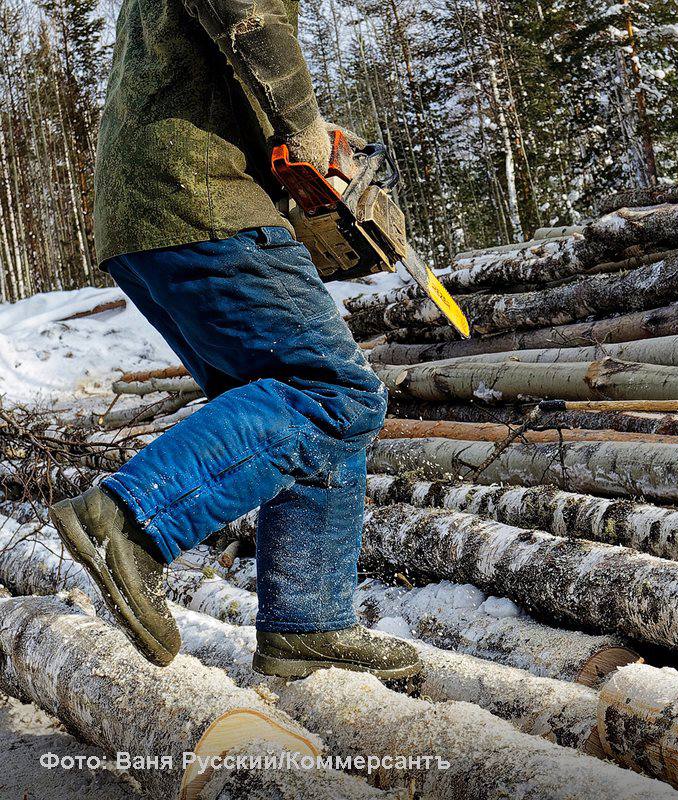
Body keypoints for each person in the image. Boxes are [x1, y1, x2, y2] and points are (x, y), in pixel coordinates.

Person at [47, 0, 420, 679]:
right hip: (202, 199)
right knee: (334, 393)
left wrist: (302, 158)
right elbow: (248, 18)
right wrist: (306, 133)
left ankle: (311, 624)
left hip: (157, 207)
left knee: (287, 410)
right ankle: (128, 522)